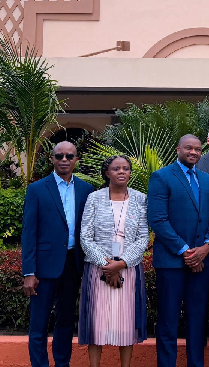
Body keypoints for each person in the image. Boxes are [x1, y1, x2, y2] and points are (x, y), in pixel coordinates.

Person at [148, 134, 209, 367]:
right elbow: (158, 220)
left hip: (203, 261)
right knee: (168, 321)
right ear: (178, 148)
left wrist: (207, 246)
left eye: (198, 149)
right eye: (189, 148)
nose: (194, 152)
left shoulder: (207, 180)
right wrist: (187, 252)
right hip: (171, 262)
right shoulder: (162, 177)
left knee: (197, 320)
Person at [21, 141, 95, 367]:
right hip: (44, 268)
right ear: (52, 159)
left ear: (76, 160)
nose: (64, 160)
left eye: (69, 156)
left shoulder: (86, 189)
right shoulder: (36, 189)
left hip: (73, 265)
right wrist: (29, 272)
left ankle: (62, 363)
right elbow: (28, 232)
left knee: (65, 323)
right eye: (59, 156)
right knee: (39, 325)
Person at [79, 155, 149, 366]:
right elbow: (85, 236)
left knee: (126, 323)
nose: (121, 172)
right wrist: (107, 264)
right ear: (107, 172)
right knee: (97, 324)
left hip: (129, 269)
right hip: (98, 270)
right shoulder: (94, 198)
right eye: (116, 168)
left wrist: (122, 263)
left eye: (126, 168)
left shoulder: (140, 199)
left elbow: (144, 236)